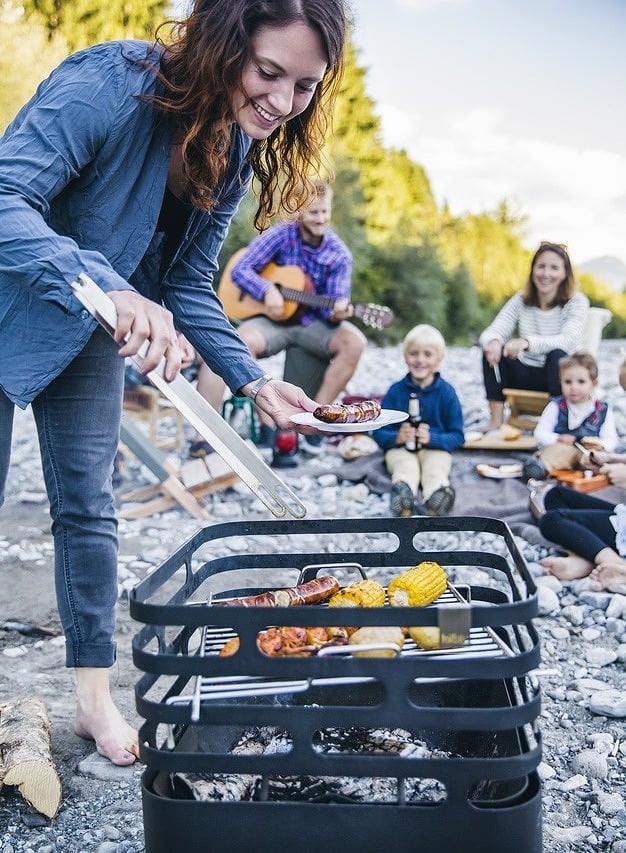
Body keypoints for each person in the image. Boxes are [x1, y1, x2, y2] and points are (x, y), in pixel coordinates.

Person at [0, 0, 348, 765]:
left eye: (304, 87)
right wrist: (107, 284)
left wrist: (254, 382)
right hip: (21, 292)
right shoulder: (110, 84)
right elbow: (4, 196)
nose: (283, 103)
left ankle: (93, 699)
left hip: (91, 316)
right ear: (226, 40)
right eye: (268, 72)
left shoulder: (233, 149)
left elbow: (190, 281)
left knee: (90, 507)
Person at [192, 177, 367, 456]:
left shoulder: (338, 255)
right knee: (229, 345)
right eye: (313, 212)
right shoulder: (282, 234)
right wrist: (267, 291)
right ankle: (203, 437)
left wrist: (337, 313)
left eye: (325, 212)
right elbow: (241, 269)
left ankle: (318, 421)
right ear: (298, 211)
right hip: (271, 321)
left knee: (354, 341)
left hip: (312, 323)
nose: (320, 219)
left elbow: (330, 312)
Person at [479, 242, 589, 432]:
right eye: (541, 266)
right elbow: (492, 330)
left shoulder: (576, 302)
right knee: (492, 350)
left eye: (554, 268)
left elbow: (569, 339)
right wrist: (494, 341)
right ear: (533, 270)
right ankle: (495, 421)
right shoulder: (521, 300)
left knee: (558, 355)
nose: (546, 274)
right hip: (527, 372)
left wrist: (528, 342)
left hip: (559, 377)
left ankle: (559, 424)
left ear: (564, 273)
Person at [540, 355, 626, 589]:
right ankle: (587, 558)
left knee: (552, 519)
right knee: (555, 495)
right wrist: (612, 459)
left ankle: (613, 562)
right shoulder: (558, 406)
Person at [373, 324, 465, 517]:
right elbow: (378, 432)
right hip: (401, 448)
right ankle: (403, 496)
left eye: (427, 354)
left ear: (439, 359)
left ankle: (438, 496)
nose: (420, 360)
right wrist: (397, 437)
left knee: (436, 468)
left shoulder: (447, 393)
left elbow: (458, 435)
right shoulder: (396, 391)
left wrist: (432, 439)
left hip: (434, 448)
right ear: (405, 356)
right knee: (404, 467)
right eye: (414, 353)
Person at [532, 351, 619, 473]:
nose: (574, 387)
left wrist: (602, 445)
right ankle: (539, 469)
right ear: (560, 382)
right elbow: (540, 433)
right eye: (568, 382)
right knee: (553, 454)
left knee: (601, 459)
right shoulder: (556, 406)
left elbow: (611, 438)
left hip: (589, 453)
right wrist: (557, 438)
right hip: (564, 449)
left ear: (594, 384)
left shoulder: (602, 409)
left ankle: (599, 472)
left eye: (581, 382)